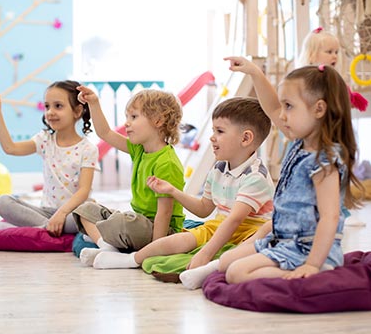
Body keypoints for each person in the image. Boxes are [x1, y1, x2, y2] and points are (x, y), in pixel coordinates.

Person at [215, 58, 363, 284]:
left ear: (319, 109)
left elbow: (330, 217)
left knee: (237, 273)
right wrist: (254, 73)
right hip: (282, 239)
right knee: (226, 262)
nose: (282, 115)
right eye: (284, 106)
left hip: (306, 249)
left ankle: (320, 274)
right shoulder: (299, 140)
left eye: (289, 106)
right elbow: (272, 108)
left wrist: (312, 264)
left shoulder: (325, 162)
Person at [91, 97, 275, 271]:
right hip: (219, 225)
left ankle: (210, 268)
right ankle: (131, 260)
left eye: (219, 131)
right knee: (177, 241)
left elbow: (235, 220)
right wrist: (172, 191)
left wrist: (205, 253)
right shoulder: (218, 169)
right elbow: (204, 209)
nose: (211, 137)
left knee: (248, 248)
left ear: (245, 139)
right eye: (213, 131)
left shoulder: (255, 177)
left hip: (250, 231)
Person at [73, 85, 186, 265]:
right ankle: (106, 247)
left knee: (124, 222)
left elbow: (164, 213)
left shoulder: (167, 163)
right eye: (127, 117)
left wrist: (155, 250)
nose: (127, 123)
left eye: (133, 117)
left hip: (162, 230)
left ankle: (109, 245)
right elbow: (105, 133)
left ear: (158, 120)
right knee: (85, 209)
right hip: (139, 223)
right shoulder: (139, 149)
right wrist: (93, 103)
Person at [0, 81, 99, 237]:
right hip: (45, 212)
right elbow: (10, 148)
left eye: (58, 106)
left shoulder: (88, 149)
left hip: (73, 213)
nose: (50, 112)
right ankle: (48, 227)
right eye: (47, 106)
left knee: (88, 215)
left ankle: (40, 227)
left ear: (77, 111)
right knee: (3, 202)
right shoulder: (45, 140)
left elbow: (84, 191)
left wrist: (61, 214)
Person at [298, 27, 368, 112]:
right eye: (329, 52)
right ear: (312, 55)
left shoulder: (334, 77)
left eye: (336, 52)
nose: (335, 56)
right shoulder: (306, 79)